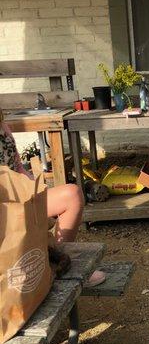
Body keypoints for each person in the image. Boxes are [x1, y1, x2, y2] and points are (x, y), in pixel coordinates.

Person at [0, 109, 105, 287]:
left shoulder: (2, 126)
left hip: (20, 197)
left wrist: (34, 190)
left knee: (71, 195)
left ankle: (57, 265)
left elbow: (18, 167)